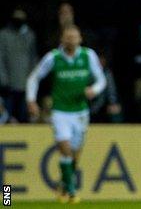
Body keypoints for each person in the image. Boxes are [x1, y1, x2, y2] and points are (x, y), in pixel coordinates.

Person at [26, 25, 106, 203]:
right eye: (68, 37)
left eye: (74, 36)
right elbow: (35, 77)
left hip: (80, 111)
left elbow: (102, 79)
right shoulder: (53, 57)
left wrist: (94, 89)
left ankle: (63, 186)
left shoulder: (88, 55)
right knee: (66, 149)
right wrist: (31, 100)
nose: (71, 40)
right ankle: (71, 191)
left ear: (80, 39)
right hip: (60, 111)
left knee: (74, 155)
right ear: (62, 39)